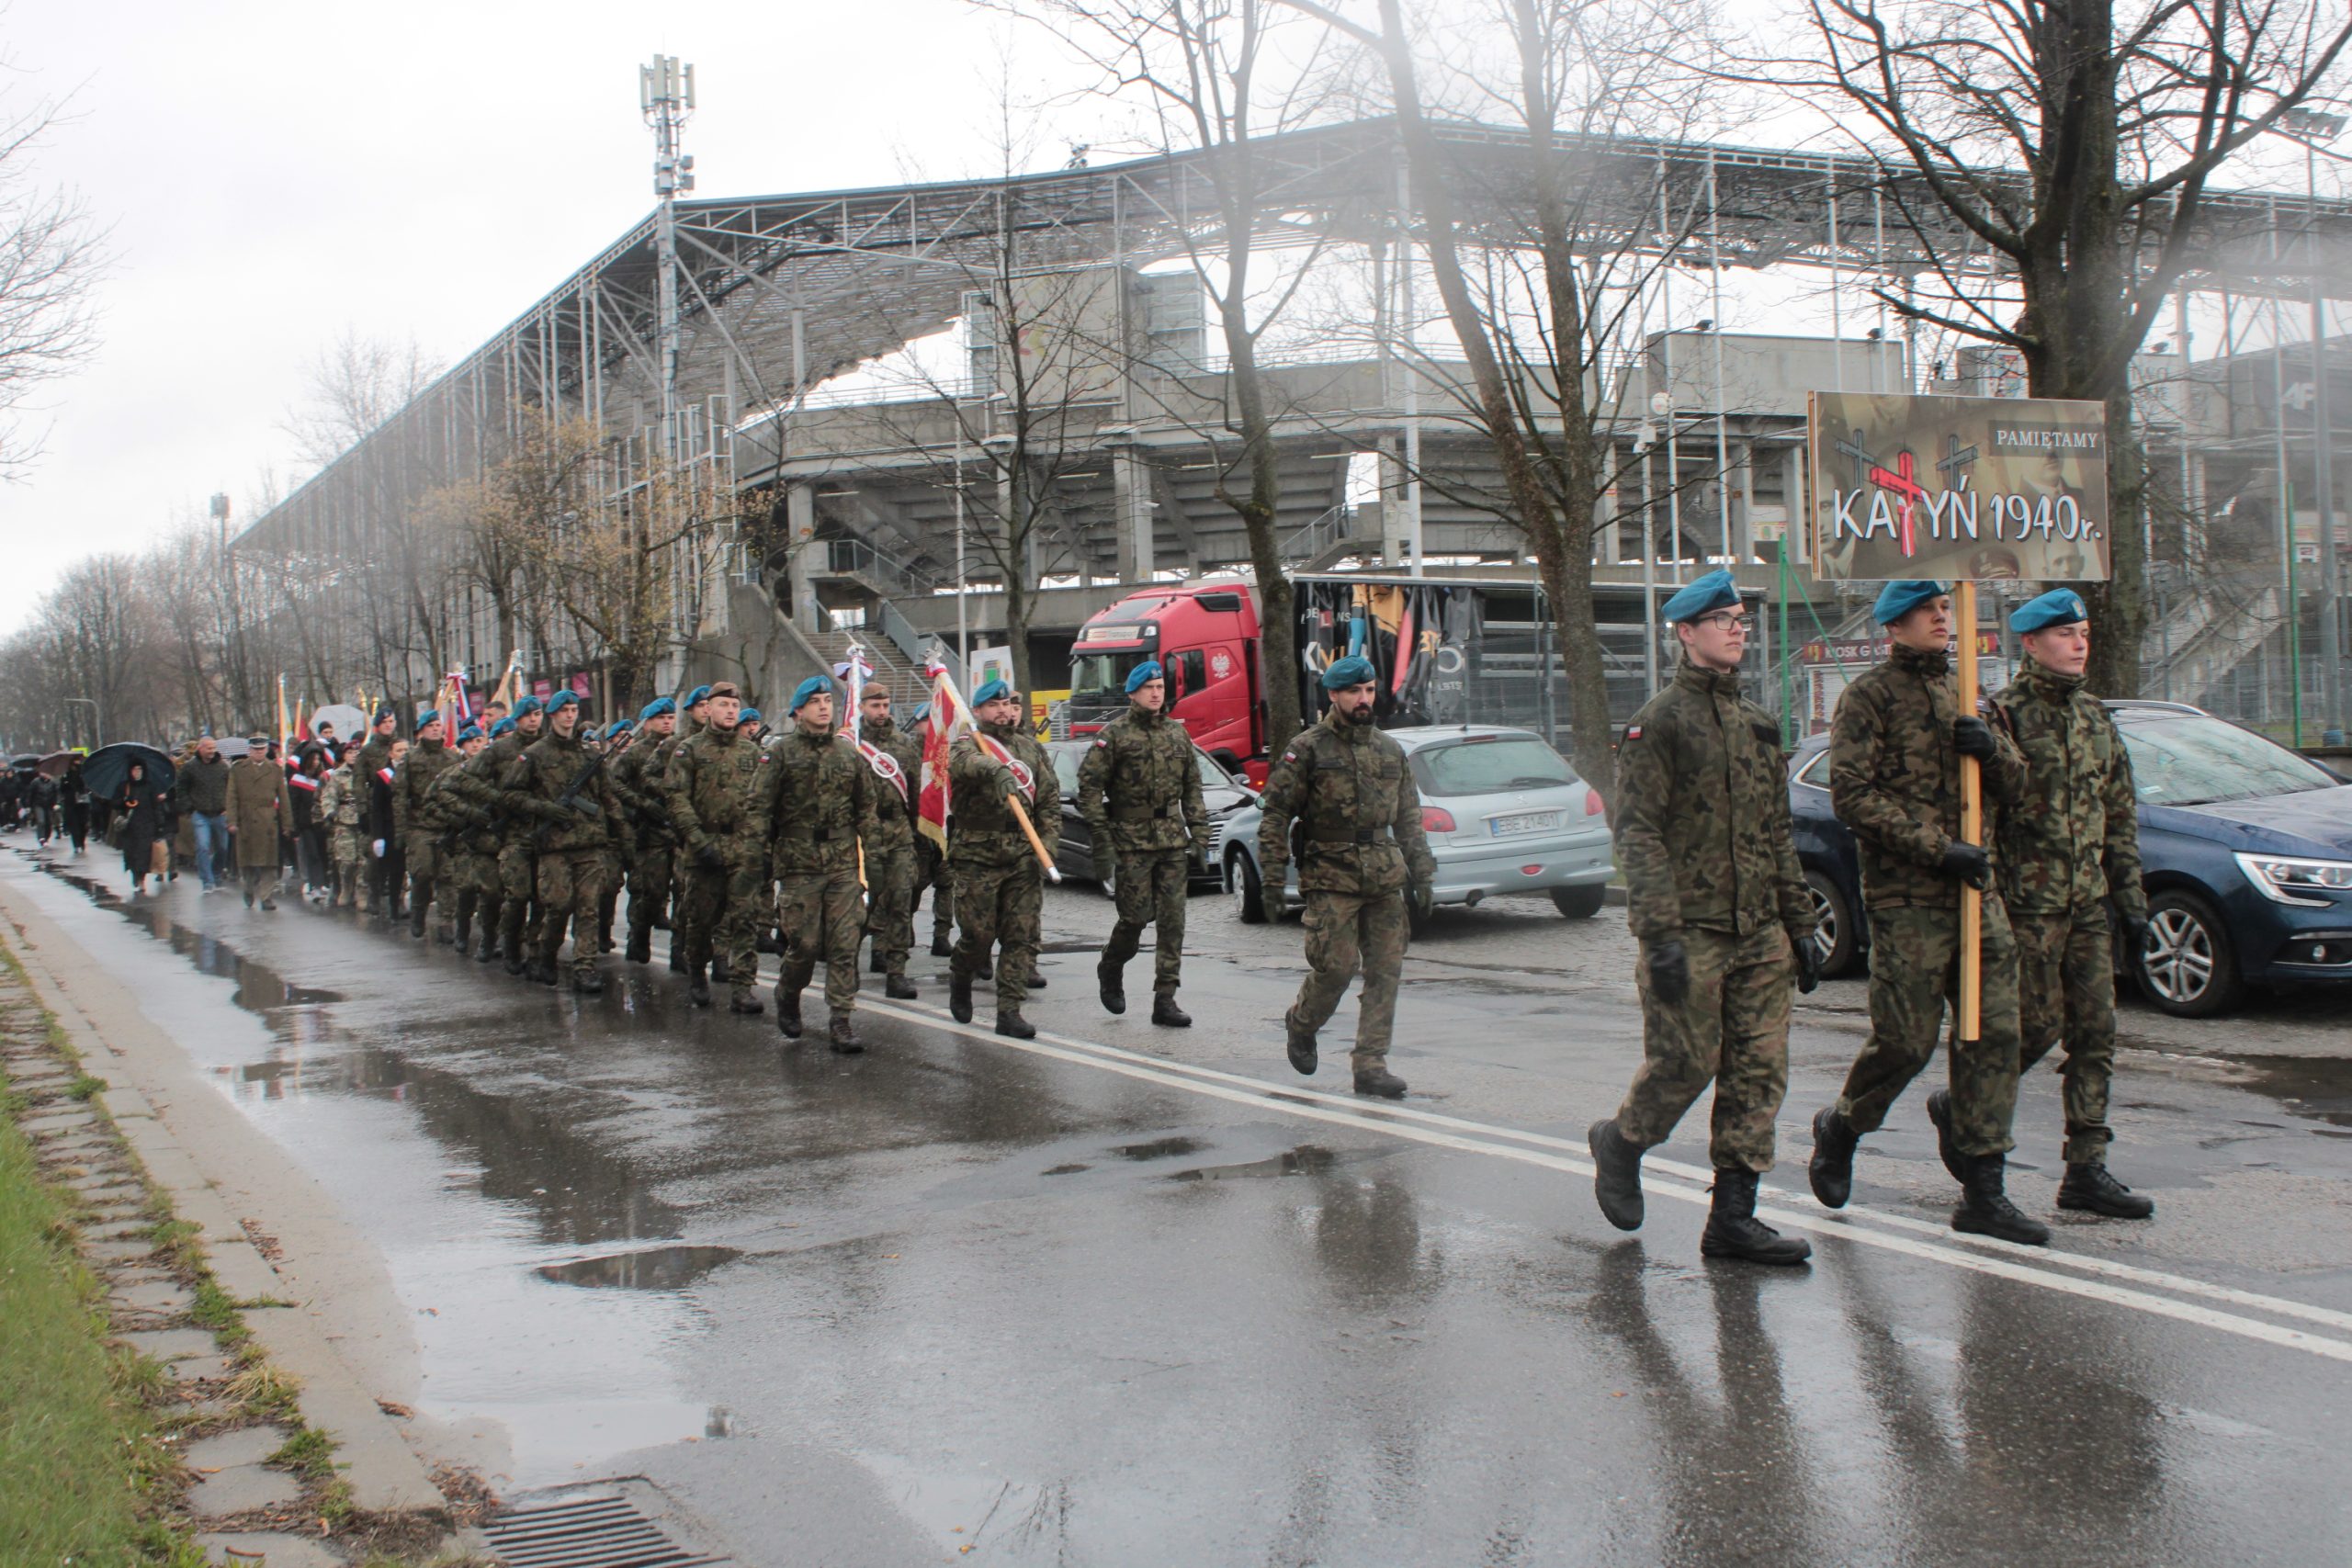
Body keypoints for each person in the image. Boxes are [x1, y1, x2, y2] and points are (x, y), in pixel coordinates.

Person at [1586, 571, 1818, 1266]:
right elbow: (1638, 834)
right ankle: (1622, 1141)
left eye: (1741, 618)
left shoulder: (1758, 724)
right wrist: (1659, 933)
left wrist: (1800, 923)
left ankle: (1733, 1219)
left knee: (1758, 1073)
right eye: (1722, 620)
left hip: (1759, 931)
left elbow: (1776, 832)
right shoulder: (1658, 723)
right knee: (1685, 1063)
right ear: (1686, 633)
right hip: (1690, 929)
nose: (1737, 629)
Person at [1806, 581, 2047, 1246]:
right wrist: (1939, 849)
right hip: (1909, 897)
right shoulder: (1871, 697)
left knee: (1992, 1036)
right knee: (1906, 1041)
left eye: (1946, 609)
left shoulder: (1971, 692)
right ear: (1894, 625)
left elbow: (2021, 786)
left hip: (1977, 895)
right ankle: (1844, 1124)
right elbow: (1852, 795)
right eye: (1928, 611)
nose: (1943, 618)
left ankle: (1984, 1190)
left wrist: (1991, 750)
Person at [1989, 588, 2155, 1220]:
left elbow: (2119, 814)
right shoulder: (2003, 717)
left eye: (2083, 632)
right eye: (2065, 634)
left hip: (2086, 901)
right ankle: (1971, 1112)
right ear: (2031, 643)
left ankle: (2086, 1167)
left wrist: (2130, 900)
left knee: (2095, 1032)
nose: (2080, 644)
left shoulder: (2094, 717)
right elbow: (1985, 818)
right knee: (2032, 1028)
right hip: (2028, 903)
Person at [1254, 656, 1434, 1100]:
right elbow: (1276, 813)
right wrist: (1272, 877)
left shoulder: (1389, 750)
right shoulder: (1308, 749)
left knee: (1386, 971)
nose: (1364, 699)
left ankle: (1370, 1065)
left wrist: (1423, 871)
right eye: (1354, 691)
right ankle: (1302, 1023)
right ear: (1334, 695)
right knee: (1336, 968)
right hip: (1331, 875)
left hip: (1383, 876)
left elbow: (1409, 817)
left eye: (1369, 690)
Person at [1077, 660, 1208, 1027]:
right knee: (1134, 919)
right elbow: (1089, 787)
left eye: (1160, 687)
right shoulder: (1114, 735)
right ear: (1133, 693)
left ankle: (1165, 998)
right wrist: (1102, 838)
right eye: (1148, 688)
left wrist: (1200, 833)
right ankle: (1111, 964)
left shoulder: (1177, 734)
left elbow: (1192, 787)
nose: (1155, 693)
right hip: (1130, 840)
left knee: (1172, 921)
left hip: (1171, 840)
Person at [768, 676, 877, 1049]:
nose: (823, 707)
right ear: (799, 711)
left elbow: (866, 806)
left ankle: (841, 1020)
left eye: (828, 700)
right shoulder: (782, 753)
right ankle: (788, 992)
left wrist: (874, 854)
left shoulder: (847, 753)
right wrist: (759, 862)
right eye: (815, 701)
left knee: (845, 944)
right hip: (799, 866)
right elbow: (759, 808)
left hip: (842, 864)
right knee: (805, 945)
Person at [946, 679, 1059, 1039]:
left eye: (1007, 704)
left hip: (1022, 854)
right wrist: (995, 769)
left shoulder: (1030, 747)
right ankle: (960, 973)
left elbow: (1049, 800)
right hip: (977, 855)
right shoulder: (967, 743)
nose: (1003, 711)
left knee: (1019, 936)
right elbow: (963, 764)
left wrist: (1047, 846)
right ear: (979, 711)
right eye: (993, 705)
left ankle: (1009, 1011)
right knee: (978, 935)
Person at [501, 691, 621, 992]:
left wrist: (622, 835)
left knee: (589, 908)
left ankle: (584, 967)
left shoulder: (590, 754)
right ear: (552, 715)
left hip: (589, 843)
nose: (570, 715)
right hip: (554, 845)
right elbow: (510, 794)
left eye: (573, 710)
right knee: (558, 906)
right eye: (564, 710)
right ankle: (546, 953)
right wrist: (543, 808)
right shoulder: (535, 754)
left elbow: (608, 796)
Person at [668, 682, 771, 1009]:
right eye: (723, 705)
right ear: (709, 708)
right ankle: (698, 971)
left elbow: (762, 802)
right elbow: (677, 798)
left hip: (743, 847)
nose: (730, 711)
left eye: (734, 706)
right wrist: (697, 841)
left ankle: (743, 988)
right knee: (701, 919)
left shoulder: (751, 752)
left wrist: (762, 846)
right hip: (704, 847)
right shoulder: (689, 750)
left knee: (745, 918)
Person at [853, 684, 922, 1000]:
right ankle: (848, 964)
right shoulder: (851, 743)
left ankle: (897, 973)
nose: (881, 711)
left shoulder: (903, 744)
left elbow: (915, 789)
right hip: (862, 834)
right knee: (859, 904)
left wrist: (919, 832)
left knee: (900, 902)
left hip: (898, 831)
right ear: (862, 707)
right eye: (875, 706)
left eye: (885, 705)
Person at [613, 697, 680, 965]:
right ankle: (639, 934)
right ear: (648, 722)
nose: (666, 722)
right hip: (650, 833)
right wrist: (641, 804)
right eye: (660, 718)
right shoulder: (635, 753)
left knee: (685, 893)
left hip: (679, 831)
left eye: (670, 717)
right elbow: (614, 784)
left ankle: (680, 951)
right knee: (652, 892)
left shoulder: (682, 748)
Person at [392, 710, 460, 942]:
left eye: (437, 725)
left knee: (447, 875)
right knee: (422, 873)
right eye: (430, 726)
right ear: (421, 731)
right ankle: (418, 911)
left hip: (446, 825)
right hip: (419, 825)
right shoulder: (410, 759)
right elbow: (399, 796)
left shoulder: (452, 758)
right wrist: (401, 831)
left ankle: (445, 922)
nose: (435, 729)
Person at [226, 732, 290, 910]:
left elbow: (284, 799)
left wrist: (287, 824)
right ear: (249, 750)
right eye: (255, 749)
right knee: (247, 862)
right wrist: (232, 821)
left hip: (268, 821)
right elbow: (231, 797)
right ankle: (248, 889)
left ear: (267, 749)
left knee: (269, 863)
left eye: (262, 749)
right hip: (246, 820)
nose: (259, 752)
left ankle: (266, 897)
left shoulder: (275, 770)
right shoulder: (238, 769)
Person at [178, 734, 232, 891]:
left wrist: (228, 807)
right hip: (200, 814)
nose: (211, 751)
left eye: (213, 748)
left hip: (220, 813)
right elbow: (181, 788)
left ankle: (216, 873)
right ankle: (207, 881)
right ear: (200, 748)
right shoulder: (190, 767)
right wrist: (190, 808)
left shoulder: (223, 767)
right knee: (203, 847)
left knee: (223, 848)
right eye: (208, 748)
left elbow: (231, 789)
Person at [319, 748, 364, 907]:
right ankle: (346, 887)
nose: (353, 756)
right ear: (344, 755)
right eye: (350, 753)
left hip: (364, 819)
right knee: (347, 860)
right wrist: (330, 812)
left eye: (356, 753)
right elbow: (328, 796)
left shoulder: (365, 772)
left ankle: (361, 892)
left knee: (363, 860)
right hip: (345, 821)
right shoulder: (337, 775)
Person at [119, 761, 168, 895]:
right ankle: (135, 875)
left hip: (147, 824)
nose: (137, 772)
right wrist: (124, 801)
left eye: (140, 769)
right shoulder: (125, 786)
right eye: (135, 769)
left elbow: (156, 806)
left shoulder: (150, 786)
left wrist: (160, 824)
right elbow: (115, 805)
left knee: (144, 853)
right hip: (130, 827)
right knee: (131, 853)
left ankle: (141, 879)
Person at [288, 747, 328, 902]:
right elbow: (294, 805)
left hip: (321, 823)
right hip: (306, 824)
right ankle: (315, 885)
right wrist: (294, 828)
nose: (316, 762)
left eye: (318, 759)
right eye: (314, 759)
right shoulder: (297, 780)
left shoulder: (323, 779)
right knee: (312, 854)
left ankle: (322, 883)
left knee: (323, 853)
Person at [62, 758, 90, 855]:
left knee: (83, 825)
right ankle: (77, 844)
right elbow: (62, 789)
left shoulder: (84, 772)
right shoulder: (66, 774)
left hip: (82, 802)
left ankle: (81, 841)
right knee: (74, 826)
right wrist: (66, 783)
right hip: (71, 803)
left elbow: (86, 785)